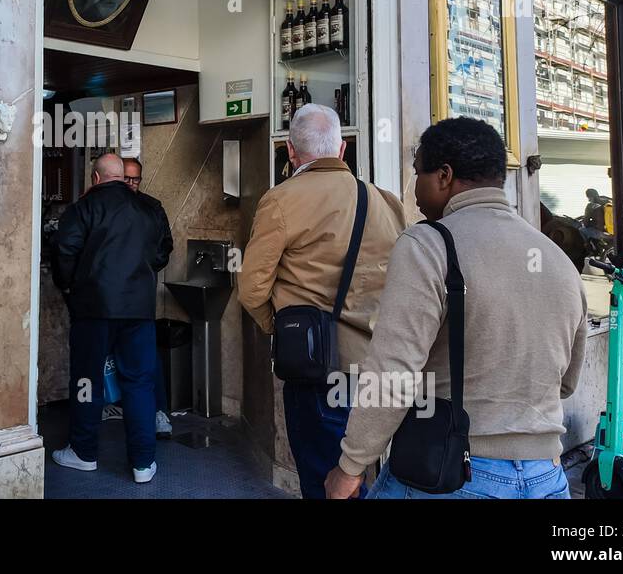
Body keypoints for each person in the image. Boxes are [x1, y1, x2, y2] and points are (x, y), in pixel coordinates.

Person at [325, 117, 588, 499]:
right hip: (547, 477)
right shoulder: (557, 258)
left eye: (418, 173)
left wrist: (349, 467)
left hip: (455, 472)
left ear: (444, 176)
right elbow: (567, 382)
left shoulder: (429, 244)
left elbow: (392, 372)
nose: (413, 190)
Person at [238, 104, 406, 498]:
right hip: (379, 368)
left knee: (327, 483)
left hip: (317, 370)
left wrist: (281, 331)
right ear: (342, 149)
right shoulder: (386, 202)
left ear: (291, 153)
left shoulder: (280, 200)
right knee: (361, 478)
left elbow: (251, 288)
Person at [51, 153, 172, 483]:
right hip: (139, 311)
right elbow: (162, 251)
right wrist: (140, 276)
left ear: (95, 178)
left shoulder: (82, 209)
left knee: (87, 380)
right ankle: (144, 464)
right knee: (139, 383)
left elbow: (64, 253)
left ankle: (84, 452)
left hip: (94, 309)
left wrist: (72, 287)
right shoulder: (150, 209)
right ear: (122, 177)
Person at [99, 157, 176, 439]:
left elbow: (165, 246)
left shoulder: (150, 207)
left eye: (135, 179)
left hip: (138, 291)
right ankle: (114, 403)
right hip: (110, 293)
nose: (131, 183)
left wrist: (142, 266)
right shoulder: (105, 205)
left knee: (146, 356)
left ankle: (158, 411)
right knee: (110, 351)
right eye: (126, 178)